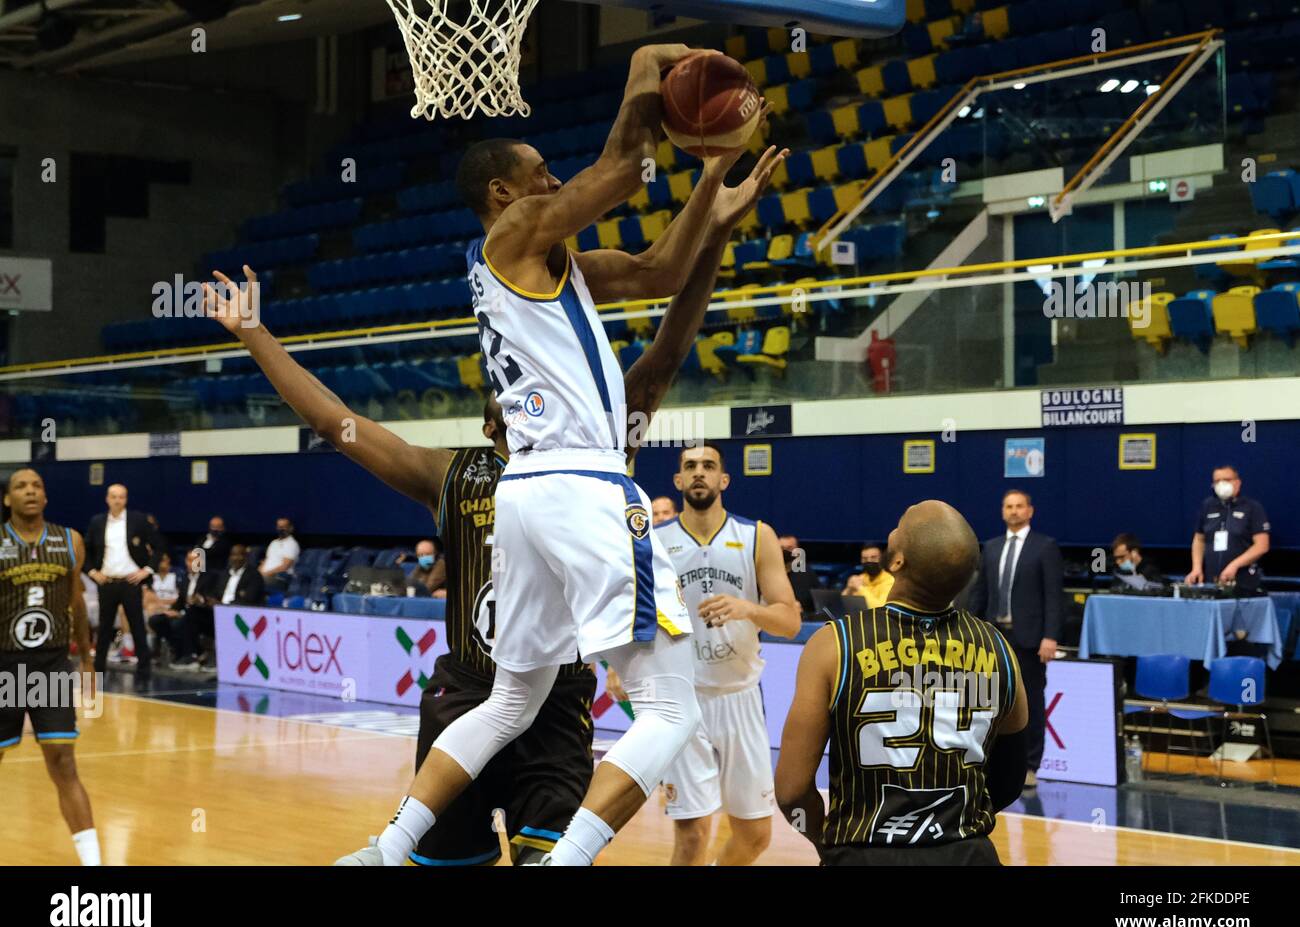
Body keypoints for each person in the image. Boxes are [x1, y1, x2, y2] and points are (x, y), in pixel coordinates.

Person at [202, 119, 782, 866]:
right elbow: (335, 421)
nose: (549, 181)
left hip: (548, 695)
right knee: (669, 708)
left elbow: (663, 321)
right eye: (537, 171)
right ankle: (408, 849)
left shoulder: (558, 381)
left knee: (523, 715)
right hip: (474, 677)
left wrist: (710, 227)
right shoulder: (469, 467)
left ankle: (385, 848)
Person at [775, 500, 1027, 865]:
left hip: (864, 854)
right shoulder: (998, 648)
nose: (892, 529)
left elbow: (792, 790)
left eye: (899, 525)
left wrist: (827, 842)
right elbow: (1009, 781)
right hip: (968, 854)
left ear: (896, 561)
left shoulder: (835, 645)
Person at [651, 443, 801, 865]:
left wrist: (747, 608)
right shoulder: (656, 541)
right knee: (693, 834)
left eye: (709, 466)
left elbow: (789, 620)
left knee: (755, 834)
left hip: (740, 696)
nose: (699, 472)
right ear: (679, 481)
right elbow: (636, 611)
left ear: (724, 480)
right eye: (690, 467)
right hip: (685, 698)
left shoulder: (757, 535)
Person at [0, 468, 101, 865]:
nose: (30, 491)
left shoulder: (70, 540)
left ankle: (94, 864)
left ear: (45, 497)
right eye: (20, 486)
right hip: (4, 665)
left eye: (37, 485)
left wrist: (89, 660)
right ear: (7, 499)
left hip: (51, 665)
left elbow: (76, 603)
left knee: (63, 760)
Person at [966, 489, 1062, 789]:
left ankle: (1031, 765)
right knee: (988, 701)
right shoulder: (991, 547)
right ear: (1002, 511)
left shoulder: (1045, 547)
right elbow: (980, 593)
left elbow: (1054, 597)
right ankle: (987, 759)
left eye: (1020, 506)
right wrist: (970, 629)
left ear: (1030, 511)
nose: (1014, 511)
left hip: (1030, 639)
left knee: (1031, 702)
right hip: (993, 636)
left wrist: (1050, 636)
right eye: (1009, 506)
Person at [83, 483, 162, 681]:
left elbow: (159, 546)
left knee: (137, 627)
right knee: (104, 628)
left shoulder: (138, 520)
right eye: (114, 496)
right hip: (107, 582)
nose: (117, 500)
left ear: (126, 499)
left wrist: (147, 570)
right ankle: (98, 670)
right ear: (107, 499)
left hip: (130, 581)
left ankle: (144, 672)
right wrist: (93, 572)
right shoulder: (97, 522)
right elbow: (85, 551)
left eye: (121, 497)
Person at [1185, 466, 1270, 595]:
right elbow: (1199, 539)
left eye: (1226, 479)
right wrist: (1196, 568)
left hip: (1243, 581)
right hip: (1211, 581)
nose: (1222, 484)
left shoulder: (1252, 507)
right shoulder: (1208, 506)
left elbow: (1262, 545)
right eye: (1217, 481)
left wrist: (1234, 565)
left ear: (1237, 482)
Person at [144, 554, 182, 662]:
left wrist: (161, 602)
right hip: (156, 607)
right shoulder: (152, 576)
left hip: (173, 607)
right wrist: (159, 603)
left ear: (168, 560)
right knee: (150, 608)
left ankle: (155, 647)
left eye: (163, 560)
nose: (161, 563)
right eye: (159, 560)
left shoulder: (176, 574)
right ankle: (152, 646)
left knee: (153, 609)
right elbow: (147, 596)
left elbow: (181, 597)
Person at [841, 542, 894, 608]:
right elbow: (841, 605)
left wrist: (860, 588)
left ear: (882, 559)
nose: (869, 561)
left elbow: (879, 608)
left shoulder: (890, 580)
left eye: (873, 557)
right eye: (865, 558)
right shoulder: (860, 578)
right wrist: (849, 589)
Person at [258, 517, 300, 589]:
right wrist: (257, 573)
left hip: (280, 578)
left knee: (254, 582)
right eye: (279, 527)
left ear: (290, 528)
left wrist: (265, 574)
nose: (281, 529)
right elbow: (266, 561)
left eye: (284, 527)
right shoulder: (274, 543)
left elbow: (285, 567)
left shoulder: (292, 544)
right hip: (265, 576)